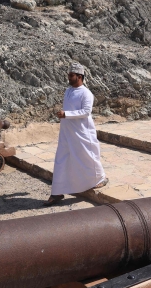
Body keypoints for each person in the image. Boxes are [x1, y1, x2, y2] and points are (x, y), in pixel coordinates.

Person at [44, 62, 108, 205]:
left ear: (79, 76)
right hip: (67, 133)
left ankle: (99, 178)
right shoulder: (68, 91)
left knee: (87, 156)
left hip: (82, 133)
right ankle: (57, 192)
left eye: (71, 75)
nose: (68, 77)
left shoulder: (86, 93)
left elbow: (86, 112)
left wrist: (66, 114)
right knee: (61, 160)